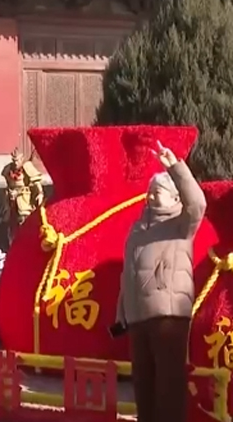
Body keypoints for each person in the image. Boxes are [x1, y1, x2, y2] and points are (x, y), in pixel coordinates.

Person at [115, 141, 206, 422]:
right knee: (143, 385)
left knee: (169, 385)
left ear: (175, 197)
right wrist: (121, 314)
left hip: (168, 314)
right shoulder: (138, 228)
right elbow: (128, 274)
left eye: (158, 192)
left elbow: (198, 202)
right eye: (150, 192)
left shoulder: (181, 223)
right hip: (138, 318)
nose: (151, 197)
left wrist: (175, 168)